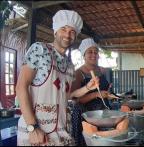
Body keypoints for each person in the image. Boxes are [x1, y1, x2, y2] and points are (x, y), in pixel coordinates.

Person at [16, 10, 99, 146]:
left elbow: (68, 95)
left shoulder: (70, 65)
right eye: (64, 29)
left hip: (61, 131)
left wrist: (87, 88)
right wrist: (32, 127)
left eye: (72, 31)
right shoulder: (39, 50)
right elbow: (21, 87)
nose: (67, 34)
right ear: (55, 31)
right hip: (37, 134)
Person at [70, 38, 114, 146]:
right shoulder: (78, 73)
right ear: (83, 55)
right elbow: (76, 99)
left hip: (103, 114)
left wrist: (108, 94)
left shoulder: (102, 71)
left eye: (96, 52)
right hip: (85, 117)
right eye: (90, 52)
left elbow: (105, 90)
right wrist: (96, 95)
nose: (94, 55)